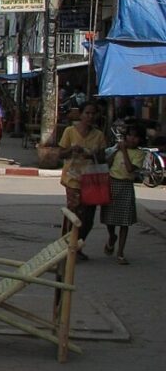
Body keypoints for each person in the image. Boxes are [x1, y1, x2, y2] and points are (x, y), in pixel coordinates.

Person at [58, 102, 107, 260]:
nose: (90, 116)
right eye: (87, 113)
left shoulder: (98, 135)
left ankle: (77, 245)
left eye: (93, 114)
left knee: (88, 218)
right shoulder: (70, 131)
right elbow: (60, 153)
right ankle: (66, 249)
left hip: (91, 181)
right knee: (74, 214)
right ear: (81, 114)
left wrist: (91, 154)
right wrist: (72, 150)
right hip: (73, 180)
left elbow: (102, 157)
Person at [103, 124, 144, 264]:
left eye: (136, 137)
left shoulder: (139, 154)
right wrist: (116, 150)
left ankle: (120, 252)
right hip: (112, 183)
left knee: (124, 222)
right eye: (130, 136)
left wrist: (124, 151)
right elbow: (107, 164)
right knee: (109, 218)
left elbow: (130, 168)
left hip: (126, 185)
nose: (132, 139)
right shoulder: (118, 150)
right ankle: (111, 236)